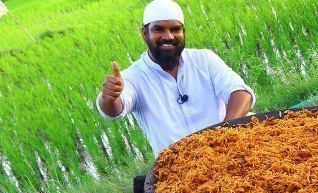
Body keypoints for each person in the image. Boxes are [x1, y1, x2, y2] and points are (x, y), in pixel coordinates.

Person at [96, 0, 255, 156]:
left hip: (226, 148)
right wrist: (108, 98)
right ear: (145, 34)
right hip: (177, 167)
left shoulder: (204, 60)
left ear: (183, 32)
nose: (168, 36)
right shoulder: (133, 77)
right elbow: (114, 109)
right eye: (158, 29)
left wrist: (225, 132)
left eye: (175, 29)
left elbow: (241, 93)